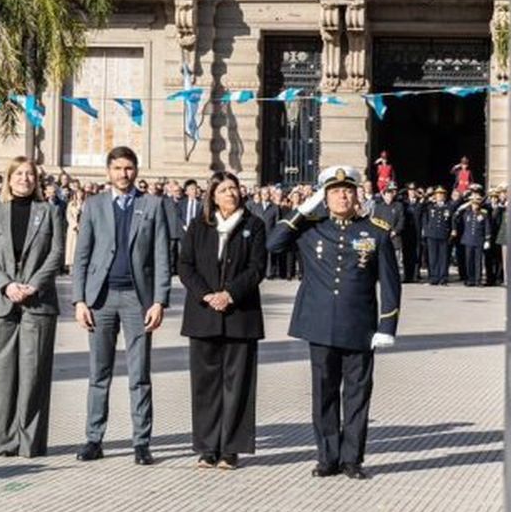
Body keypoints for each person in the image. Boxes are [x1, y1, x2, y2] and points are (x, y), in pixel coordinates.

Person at [268, 165, 401, 480]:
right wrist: (301, 210)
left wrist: (387, 327)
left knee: (357, 395)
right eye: (334, 191)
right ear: (324, 197)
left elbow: (391, 283)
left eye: (348, 190)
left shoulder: (376, 230)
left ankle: (352, 458)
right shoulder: (311, 227)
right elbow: (273, 243)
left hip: (360, 325)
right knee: (324, 394)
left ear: (357, 195)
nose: (342, 195)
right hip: (321, 324)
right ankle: (327, 457)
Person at [71, 146, 172, 465]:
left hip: (136, 300)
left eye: (129, 168)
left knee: (139, 373)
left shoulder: (153, 205)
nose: (123, 174)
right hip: (100, 300)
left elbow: (161, 256)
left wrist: (159, 300)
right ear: (108, 172)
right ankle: (93, 438)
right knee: (98, 372)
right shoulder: (94, 205)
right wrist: (79, 300)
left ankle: (141, 442)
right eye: (117, 168)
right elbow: (82, 256)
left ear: (137, 171)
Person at [0, 158, 67, 457]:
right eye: (19, 174)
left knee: (34, 375)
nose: (25, 179)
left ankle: (30, 443)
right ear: (8, 178)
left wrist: (35, 284)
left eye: (30, 174)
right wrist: (6, 284)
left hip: (37, 301)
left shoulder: (51, 212)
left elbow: (56, 252)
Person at [177, 171, 266, 469]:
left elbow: (256, 269)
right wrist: (206, 295)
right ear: (212, 195)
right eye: (224, 189)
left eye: (234, 188)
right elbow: (185, 265)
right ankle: (207, 447)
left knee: (238, 383)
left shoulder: (254, 225)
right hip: (203, 315)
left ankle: (231, 448)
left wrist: (229, 294)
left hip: (240, 314)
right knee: (206, 384)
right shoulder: (198, 226)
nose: (230, 193)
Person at [420, 186, 455, 285]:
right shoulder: (430, 206)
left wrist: (453, 229)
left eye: (442, 195)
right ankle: (434, 278)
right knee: (433, 257)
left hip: (444, 234)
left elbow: (452, 219)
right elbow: (421, 209)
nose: (440, 196)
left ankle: (443, 278)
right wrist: (427, 197)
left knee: (443, 257)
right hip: (432, 234)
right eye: (438, 195)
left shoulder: (448, 207)